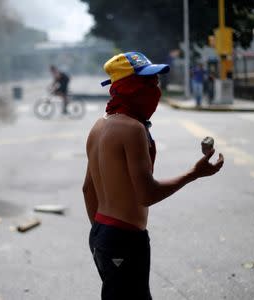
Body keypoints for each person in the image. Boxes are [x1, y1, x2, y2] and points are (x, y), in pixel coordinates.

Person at [83, 52, 224, 300]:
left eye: (156, 80)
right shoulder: (132, 129)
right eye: (147, 82)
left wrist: (101, 234)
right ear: (128, 87)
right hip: (124, 238)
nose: (155, 88)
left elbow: (87, 189)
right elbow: (146, 194)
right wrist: (194, 173)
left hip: (102, 234)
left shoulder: (99, 126)